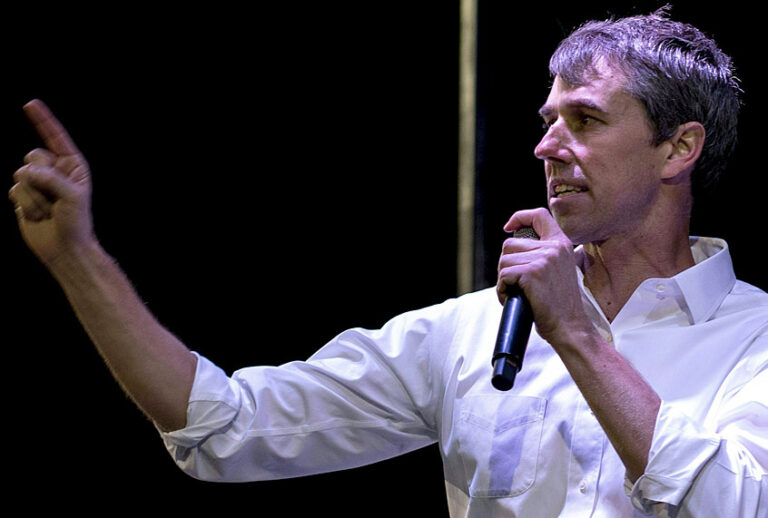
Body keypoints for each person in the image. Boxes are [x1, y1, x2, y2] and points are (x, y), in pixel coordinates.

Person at [8, 8, 767, 517]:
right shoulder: (471, 330)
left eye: (586, 119)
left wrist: (580, 338)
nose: (545, 145)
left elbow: (735, 506)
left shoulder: (756, 338)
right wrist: (79, 259)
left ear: (679, 147)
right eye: (546, 122)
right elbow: (227, 431)